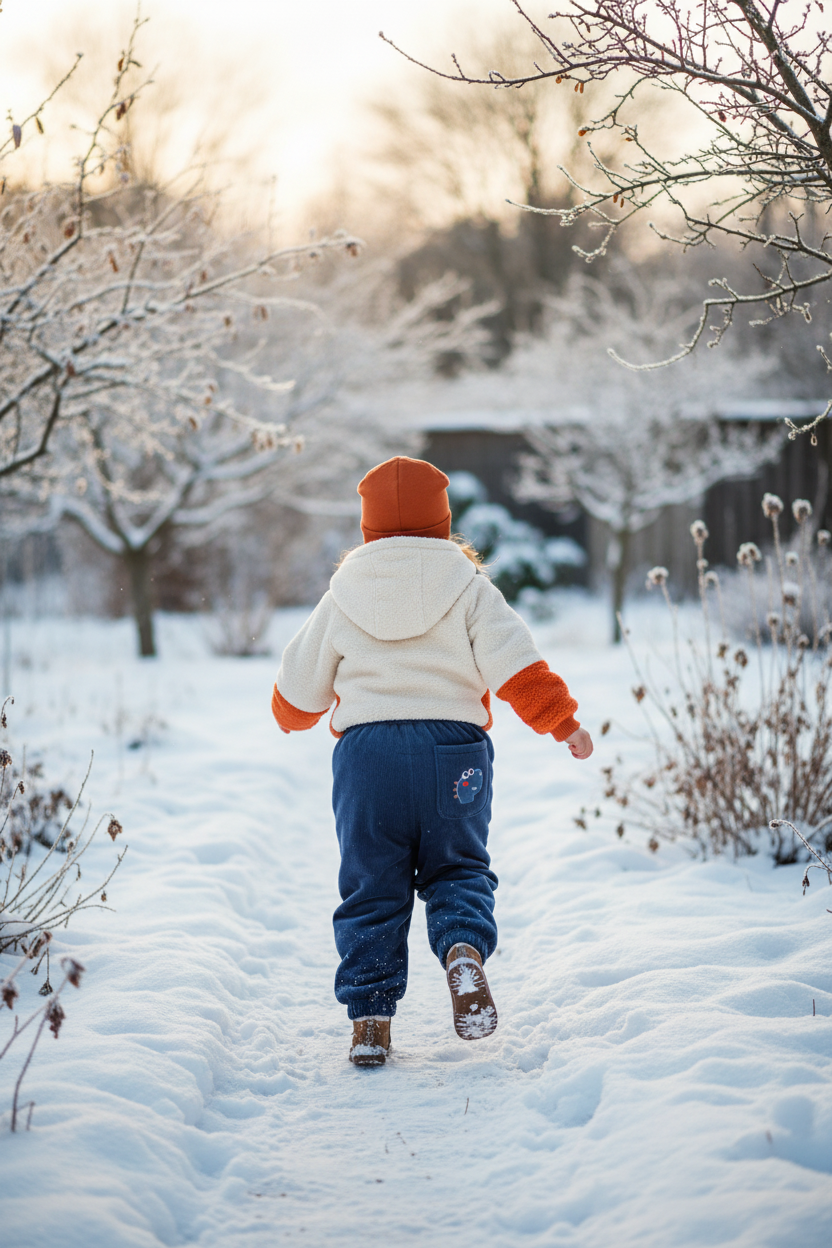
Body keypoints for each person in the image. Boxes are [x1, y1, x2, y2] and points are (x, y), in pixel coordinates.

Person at [271, 456, 593, 1067]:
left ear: (367, 529)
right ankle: (463, 954)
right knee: (457, 869)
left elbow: (298, 690)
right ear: (444, 523)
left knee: (372, 886)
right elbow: (519, 667)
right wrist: (564, 724)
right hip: (454, 752)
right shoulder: (470, 588)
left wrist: (288, 714)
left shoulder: (341, 597)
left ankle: (370, 1021)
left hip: (368, 760)